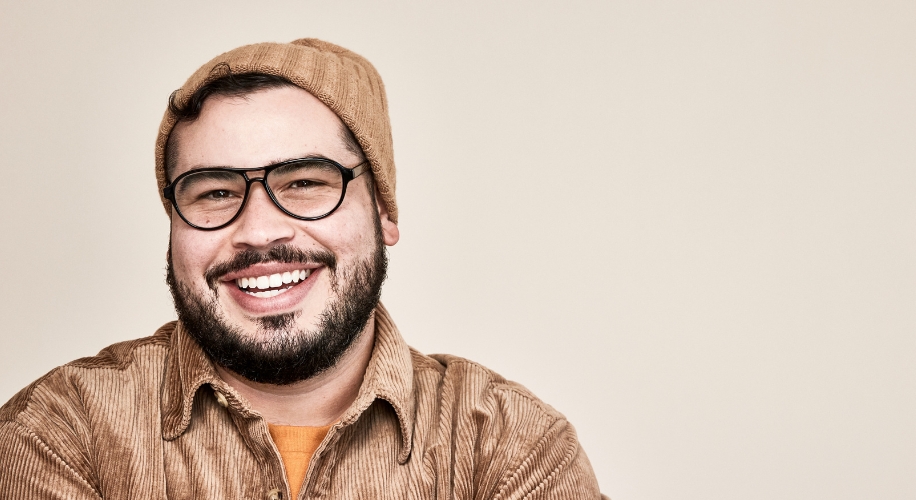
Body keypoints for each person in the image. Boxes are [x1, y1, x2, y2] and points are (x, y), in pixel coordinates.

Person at [0, 38, 605, 499]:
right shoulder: (60, 432)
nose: (259, 230)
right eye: (213, 192)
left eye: (306, 182)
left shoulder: (508, 445)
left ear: (384, 210)